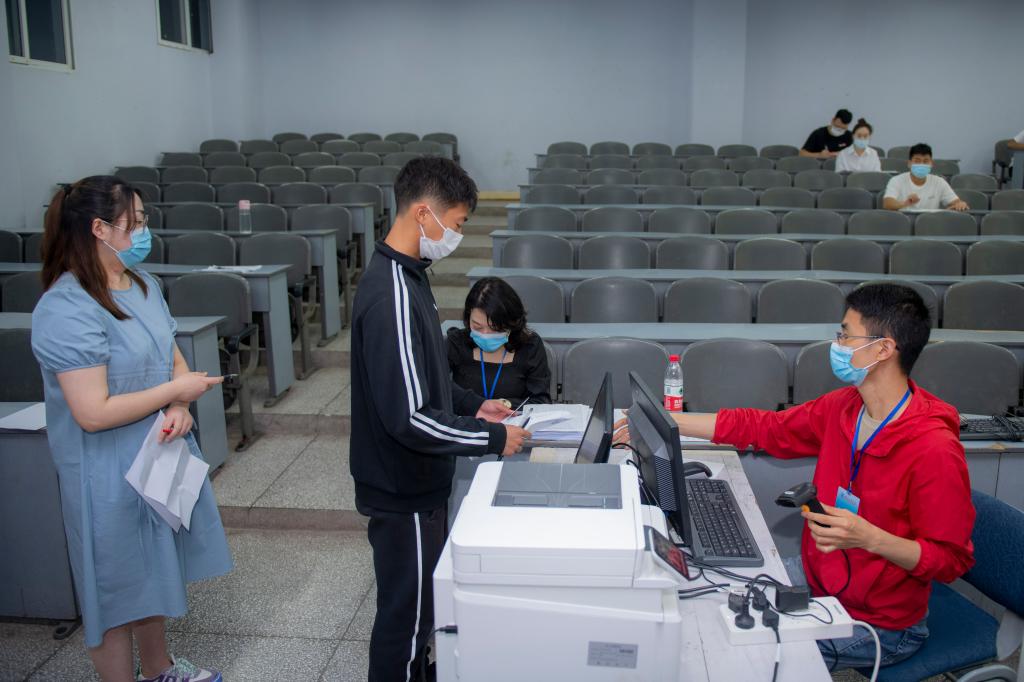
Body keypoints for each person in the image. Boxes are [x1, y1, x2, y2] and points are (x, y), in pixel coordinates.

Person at [615, 283, 975, 672]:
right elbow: (766, 427)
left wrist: (870, 537)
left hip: (880, 624)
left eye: (846, 335)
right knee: (703, 599)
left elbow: (951, 560)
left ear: (883, 349)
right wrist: (667, 420)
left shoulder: (933, 448)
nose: (837, 344)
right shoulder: (847, 407)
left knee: (735, 655)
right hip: (819, 575)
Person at [31, 176, 232, 682]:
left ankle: (159, 669)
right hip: (103, 470)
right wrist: (172, 393)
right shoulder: (66, 306)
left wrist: (180, 402)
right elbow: (92, 412)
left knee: (153, 568)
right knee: (114, 589)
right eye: (135, 222)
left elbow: (171, 356)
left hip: (157, 454)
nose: (144, 231)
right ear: (99, 229)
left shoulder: (143, 286)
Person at [349, 157, 531, 681]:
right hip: (402, 486)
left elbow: (422, 377)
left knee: (421, 610)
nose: (457, 235)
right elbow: (410, 418)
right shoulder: (391, 296)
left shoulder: (410, 278)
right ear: (423, 214)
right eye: (456, 223)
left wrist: (472, 404)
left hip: (418, 480)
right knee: (405, 622)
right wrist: (491, 437)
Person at [447, 277, 552, 407]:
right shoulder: (456, 342)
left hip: (513, 419)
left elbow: (541, 400)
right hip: (465, 419)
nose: (485, 334)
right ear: (468, 318)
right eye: (477, 327)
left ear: (512, 322)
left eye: (495, 329)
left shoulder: (530, 346)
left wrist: (504, 405)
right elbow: (436, 386)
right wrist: (477, 405)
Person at [882, 143, 969, 211]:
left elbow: (956, 202)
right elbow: (887, 203)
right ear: (909, 163)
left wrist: (960, 204)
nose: (921, 164)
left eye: (926, 161)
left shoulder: (939, 182)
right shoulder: (896, 180)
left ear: (931, 164)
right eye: (917, 161)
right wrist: (906, 203)